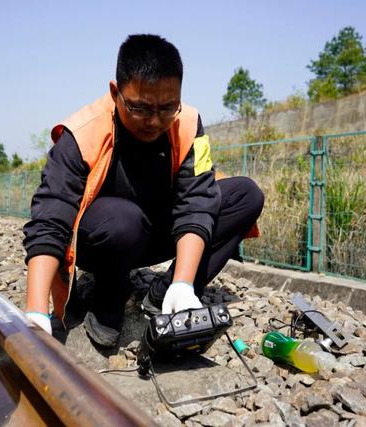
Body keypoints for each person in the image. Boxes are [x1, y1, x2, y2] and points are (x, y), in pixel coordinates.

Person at [22, 34, 264, 347]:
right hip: (104, 238)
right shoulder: (81, 134)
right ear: (115, 92)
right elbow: (50, 220)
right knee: (124, 219)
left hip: (156, 230)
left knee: (246, 195)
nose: (154, 121)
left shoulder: (188, 124)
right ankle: (109, 299)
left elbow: (198, 201)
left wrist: (183, 283)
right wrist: (37, 312)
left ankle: (166, 294)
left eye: (167, 108)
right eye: (140, 108)